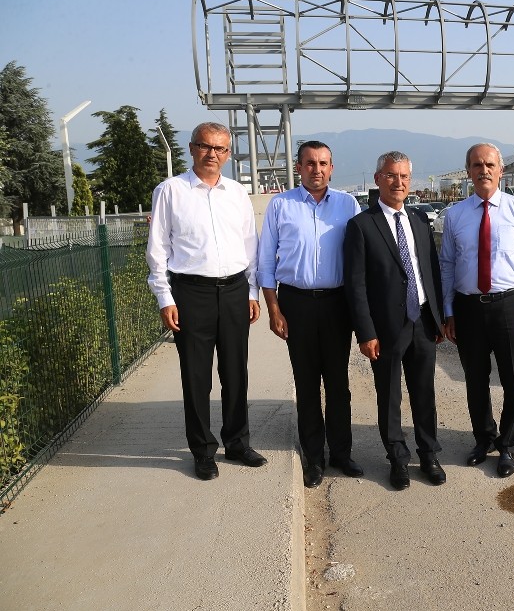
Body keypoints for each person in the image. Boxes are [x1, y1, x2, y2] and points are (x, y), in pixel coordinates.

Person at [146, 121, 266, 481]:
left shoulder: (236, 193)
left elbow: (250, 246)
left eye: (220, 149)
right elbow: (158, 249)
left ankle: (238, 443)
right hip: (191, 293)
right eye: (206, 146)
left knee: (236, 372)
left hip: (233, 291)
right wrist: (165, 297)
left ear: (228, 154)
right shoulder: (170, 191)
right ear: (192, 148)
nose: (212, 154)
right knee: (196, 376)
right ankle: (202, 450)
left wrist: (251, 291)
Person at [257, 141, 362, 489]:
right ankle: (313, 458)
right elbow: (266, 262)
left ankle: (342, 454)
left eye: (323, 163)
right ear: (299, 167)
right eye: (310, 163)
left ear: (332, 168)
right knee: (306, 383)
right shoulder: (280, 205)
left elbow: (360, 259)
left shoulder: (348, 205)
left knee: (338, 383)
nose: (317, 169)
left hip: (336, 304)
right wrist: (274, 309)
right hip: (295, 303)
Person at [440, 143, 514, 478]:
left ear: (501, 170)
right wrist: (448, 311)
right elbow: (447, 265)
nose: (483, 170)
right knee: (475, 378)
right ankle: (483, 438)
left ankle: (509, 445)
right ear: (468, 172)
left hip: (511, 305)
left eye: (489, 164)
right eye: (476, 165)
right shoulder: (455, 215)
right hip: (469, 307)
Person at [344, 151, 446, 490]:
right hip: (385, 328)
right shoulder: (361, 225)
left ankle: (429, 454)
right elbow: (356, 284)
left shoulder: (418, 221)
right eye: (390, 175)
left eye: (403, 176)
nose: (398, 182)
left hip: (422, 323)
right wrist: (365, 331)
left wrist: (438, 318)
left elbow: (430, 272)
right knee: (388, 397)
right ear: (378, 179)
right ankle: (398, 459)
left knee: (424, 393)